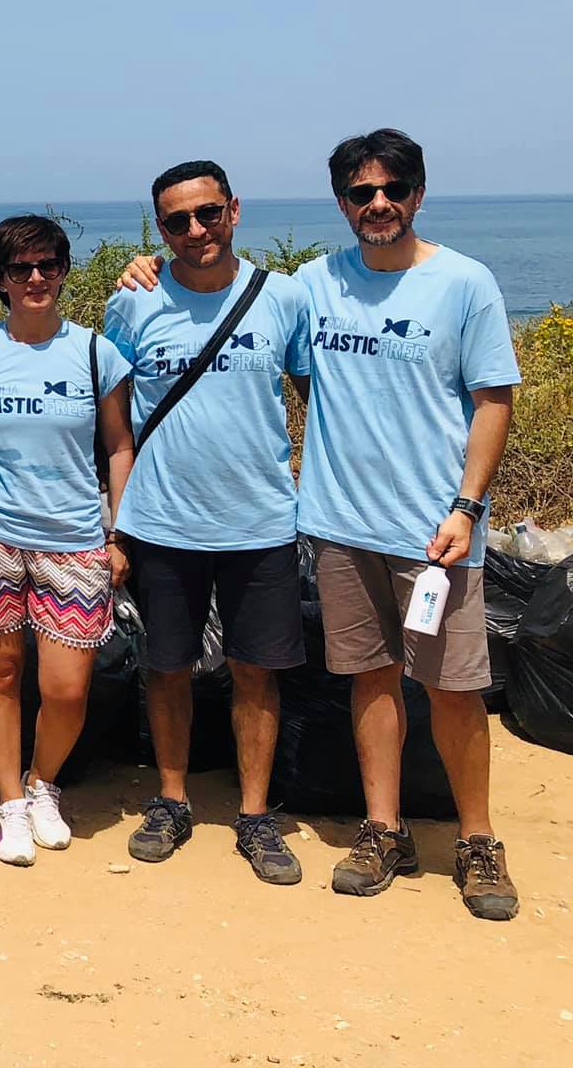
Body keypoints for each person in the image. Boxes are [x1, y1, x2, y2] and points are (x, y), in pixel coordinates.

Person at [123, 129, 521, 918]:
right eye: (361, 193)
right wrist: (146, 271)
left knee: (452, 687)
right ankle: (382, 829)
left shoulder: (463, 283)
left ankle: (478, 840)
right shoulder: (312, 285)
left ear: (418, 192)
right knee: (371, 681)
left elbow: (493, 402)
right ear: (341, 203)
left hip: (434, 531)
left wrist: (468, 507)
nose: (378, 205)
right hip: (337, 525)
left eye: (392, 189)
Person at [102, 163, 312, 885]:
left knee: (257, 672)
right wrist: (111, 518)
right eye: (176, 221)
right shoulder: (130, 304)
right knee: (166, 669)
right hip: (161, 522)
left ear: (234, 212)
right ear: (158, 229)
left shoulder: (283, 298)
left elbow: (321, 396)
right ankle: (170, 798)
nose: (195, 230)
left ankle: (255, 816)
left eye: (208, 213)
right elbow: (112, 420)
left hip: (260, 521)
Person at [0, 215, 134, 867]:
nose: (35, 278)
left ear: (62, 269)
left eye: (48, 264)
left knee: (67, 687)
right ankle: (10, 806)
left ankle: (42, 783)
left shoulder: (94, 352)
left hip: (73, 538)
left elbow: (117, 444)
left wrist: (119, 530)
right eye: (20, 268)